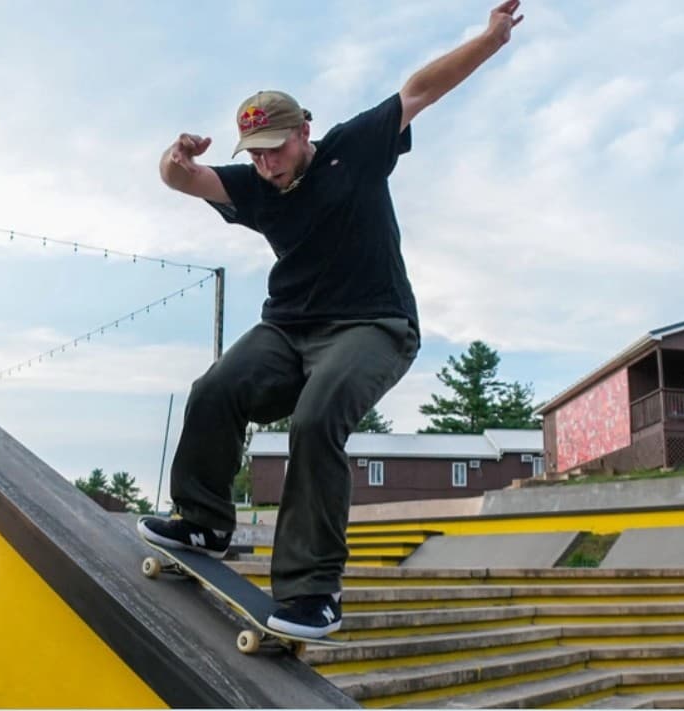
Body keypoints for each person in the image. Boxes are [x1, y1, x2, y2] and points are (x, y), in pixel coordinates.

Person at [138, 1, 525, 640]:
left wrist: (489, 39)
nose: (266, 164)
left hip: (375, 326)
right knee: (214, 391)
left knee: (316, 421)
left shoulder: (355, 148)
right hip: (288, 330)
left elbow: (421, 90)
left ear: (304, 131)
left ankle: (313, 591)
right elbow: (182, 179)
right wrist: (173, 157)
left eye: (275, 148)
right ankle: (205, 520)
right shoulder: (254, 187)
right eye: (255, 154)